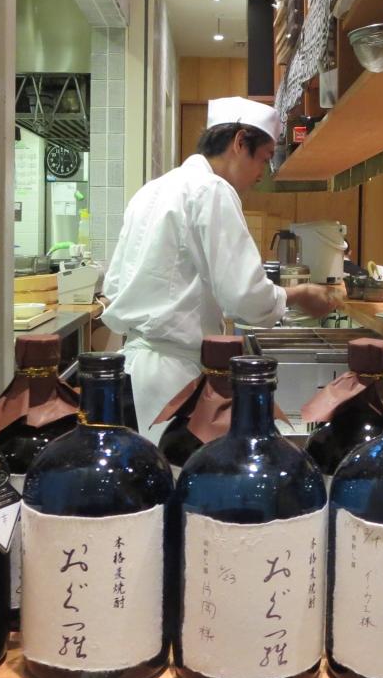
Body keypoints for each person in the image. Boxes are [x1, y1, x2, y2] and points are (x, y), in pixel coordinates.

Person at [102, 97, 337, 441]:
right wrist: (299, 293)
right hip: (173, 378)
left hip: (132, 370)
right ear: (240, 142)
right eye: (264, 158)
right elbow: (246, 298)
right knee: (173, 467)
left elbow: (114, 285)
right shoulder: (212, 190)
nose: (262, 174)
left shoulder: (151, 190)